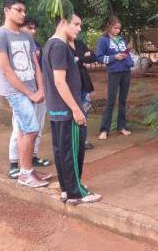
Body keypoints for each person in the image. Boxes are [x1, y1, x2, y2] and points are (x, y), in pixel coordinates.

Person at [0, 0, 51, 187]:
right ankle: (25, 173)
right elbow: (6, 70)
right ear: (7, 11)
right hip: (15, 92)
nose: (23, 14)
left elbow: (35, 64)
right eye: (19, 10)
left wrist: (40, 88)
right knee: (31, 129)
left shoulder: (26, 36)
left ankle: (28, 170)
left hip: (32, 89)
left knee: (26, 130)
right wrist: (30, 93)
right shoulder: (0, 36)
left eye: (24, 11)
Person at [42, 14, 101, 204]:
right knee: (73, 152)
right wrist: (76, 110)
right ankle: (77, 193)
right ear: (63, 22)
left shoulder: (51, 44)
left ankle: (67, 189)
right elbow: (60, 81)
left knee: (62, 151)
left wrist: (71, 40)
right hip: (67, 110)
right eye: (76, 24)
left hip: (57, 109)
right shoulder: (59, 46)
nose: (79, 28)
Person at [7, 17, 50, 179]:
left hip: (38, 90)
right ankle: (14, 163)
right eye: (29, 28)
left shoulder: (35, 44)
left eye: (34, 28)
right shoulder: (12, 43)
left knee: (36, 126)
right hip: (21, 93)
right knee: (20, 128)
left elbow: (40, 67)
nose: (33, 31)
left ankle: (32, 158)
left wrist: (42, 89)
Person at [95, 15, 134, 140]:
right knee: (111, 101)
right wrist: (114, 57)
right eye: (115, 28)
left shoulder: (121, 39)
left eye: (119, 28)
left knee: (123, 100)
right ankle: (104, 130)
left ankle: (121, 126)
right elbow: (99, 57)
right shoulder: (103, 40)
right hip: (114, 72)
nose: (118, 30)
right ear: (109, 27)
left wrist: (127, 52)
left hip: (126, 72)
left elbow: (125, 53)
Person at [70, 38, 96, 150]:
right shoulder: (60, 43)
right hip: (70, 84)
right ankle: (72, 141)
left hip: (84, 82)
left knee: (84, 111)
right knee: (73, 112)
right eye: (75, 25)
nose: (78, 28)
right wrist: (82, 58)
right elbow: (69, 62)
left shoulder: (79, 42)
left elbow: (92, 57)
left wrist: (78, 58)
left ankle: (83, 140)